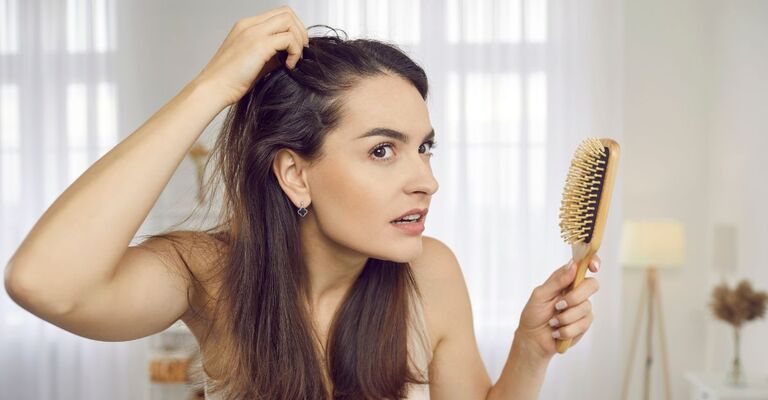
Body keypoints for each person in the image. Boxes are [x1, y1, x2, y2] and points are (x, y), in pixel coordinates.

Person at [3, 5, 601, 400]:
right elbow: (43, 283)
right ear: (295, 173)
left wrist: (529, 351)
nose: (426, 181)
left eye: (425, 148)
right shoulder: (210, 275)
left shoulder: (430, 272)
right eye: (383, 152)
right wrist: (211, 88)